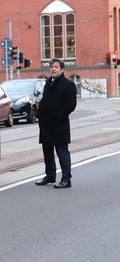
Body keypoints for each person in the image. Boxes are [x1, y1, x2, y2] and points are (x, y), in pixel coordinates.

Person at [34, 59, 77, 189]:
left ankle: (66, 179)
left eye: (56, 67)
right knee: (47, 152)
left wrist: (59, 115)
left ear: (62, 69)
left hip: (59, 124)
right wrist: (39, 114)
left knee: (62, 152)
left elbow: (71, 105)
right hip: (46, 124)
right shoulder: (48, 83)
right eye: (52, 67)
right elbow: (45, 101)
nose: (53, 69)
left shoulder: (68, 85)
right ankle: (50, 176)